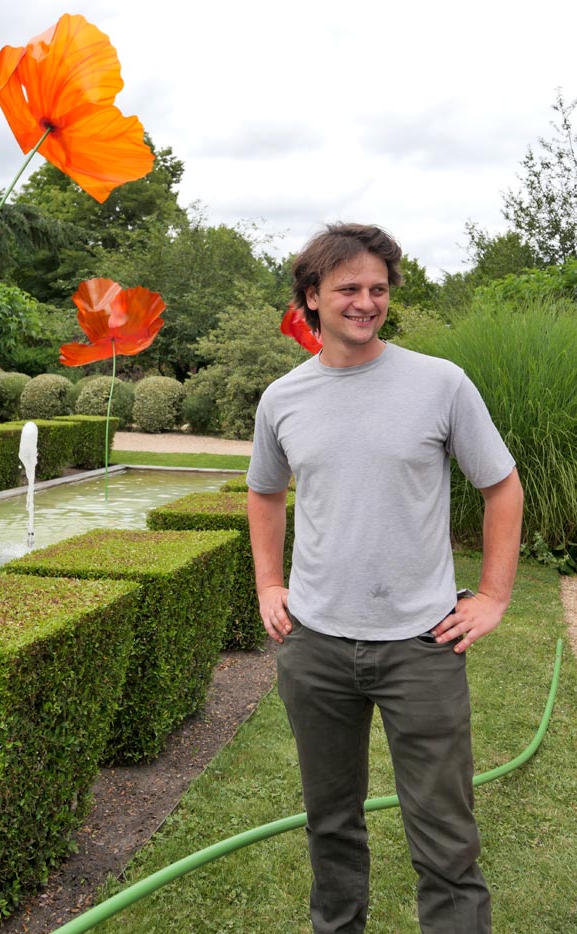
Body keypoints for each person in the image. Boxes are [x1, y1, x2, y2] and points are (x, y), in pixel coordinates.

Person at [246, 223, 523, 934]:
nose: (364, 302)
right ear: (312, 297)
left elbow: (501, 485)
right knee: (330, 825)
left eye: (376, 289)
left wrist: (492, 596)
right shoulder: (282, 399)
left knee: (444, 840)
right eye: (347, 289)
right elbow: (263, 492)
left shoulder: (438, 384)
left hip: (421, 646)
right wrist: (268, 586)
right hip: (315, 647)